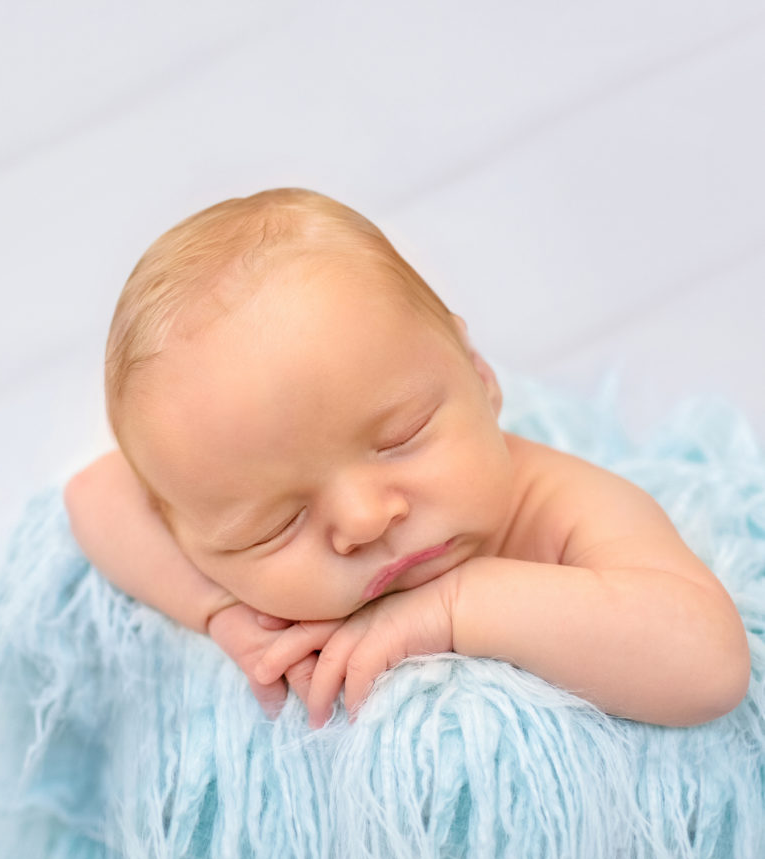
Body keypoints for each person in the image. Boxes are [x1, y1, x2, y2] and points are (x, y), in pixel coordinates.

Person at [64, 187, 750, 730]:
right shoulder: (248, 574)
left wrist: (454, 607)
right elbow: (95, 494)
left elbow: (709, 667)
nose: (363, 519)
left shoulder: (555, 504)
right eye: (273, 524)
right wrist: (218, 612)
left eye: (400, 437)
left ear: (478, 374)